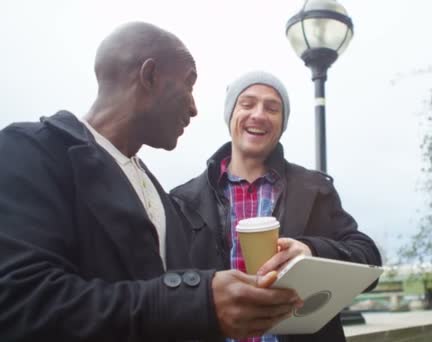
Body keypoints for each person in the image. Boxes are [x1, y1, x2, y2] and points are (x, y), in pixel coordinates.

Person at [0, 23, 301, 342]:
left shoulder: (163, 197)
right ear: (150, 76)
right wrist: (198, 302)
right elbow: (19, 304)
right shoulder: (31, 151)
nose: (194, 108)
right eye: (189, 84)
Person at [171, 71, 383, 342]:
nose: (258, 114)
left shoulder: (315, 189)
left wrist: (311, 250)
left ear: (282, 124)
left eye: (272, 108)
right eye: (247, 104)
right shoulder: (182, 201)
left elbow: (369, 259)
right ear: (230, 115)